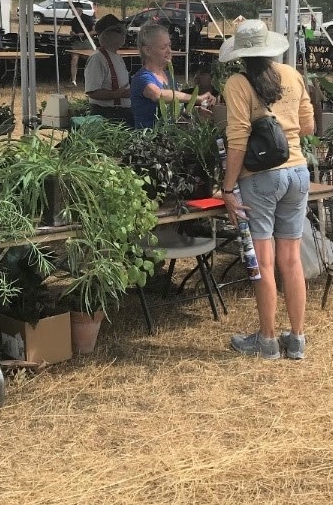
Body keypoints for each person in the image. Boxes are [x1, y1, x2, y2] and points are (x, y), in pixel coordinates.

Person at [218, 20, 314, 361]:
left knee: (263, 260)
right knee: (291, 260)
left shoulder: (238, 82)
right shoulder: (291, 74)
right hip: (298, 171)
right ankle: (298, 338)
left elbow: (238, 139)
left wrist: (228, 187)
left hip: (260, 177)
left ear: (241, 54)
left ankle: (268, 339)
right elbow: (308, 126)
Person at [130, 22, 213, 129]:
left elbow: (175, 112)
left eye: (170, 45)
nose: (169, 51)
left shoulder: (169, 76)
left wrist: (195, 113)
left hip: (169, 141)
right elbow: (158, 95)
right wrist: (197, 98)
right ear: (147, 50)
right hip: (149, 142)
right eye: (164, 47)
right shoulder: (142, 78)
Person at [83, 14, 133, 126]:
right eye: (119, 30)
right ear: (107, 34)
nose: (124, 34)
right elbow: (92, 92)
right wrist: (116, 94)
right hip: (107, 116)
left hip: (120, 115)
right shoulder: (97, 58)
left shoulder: (116, 56)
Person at [68, 5, 96, 86]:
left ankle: (92, 79)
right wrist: (72, 34)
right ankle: (73, 80)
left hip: (87, 41)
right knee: (74, 59)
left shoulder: (87, 18)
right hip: (77, 42)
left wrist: (84, 34)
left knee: (91, 59)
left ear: (78, 10)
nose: (71, 11)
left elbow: (95, 31)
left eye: (73, 10)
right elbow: (73, 32)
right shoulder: (73, 20)